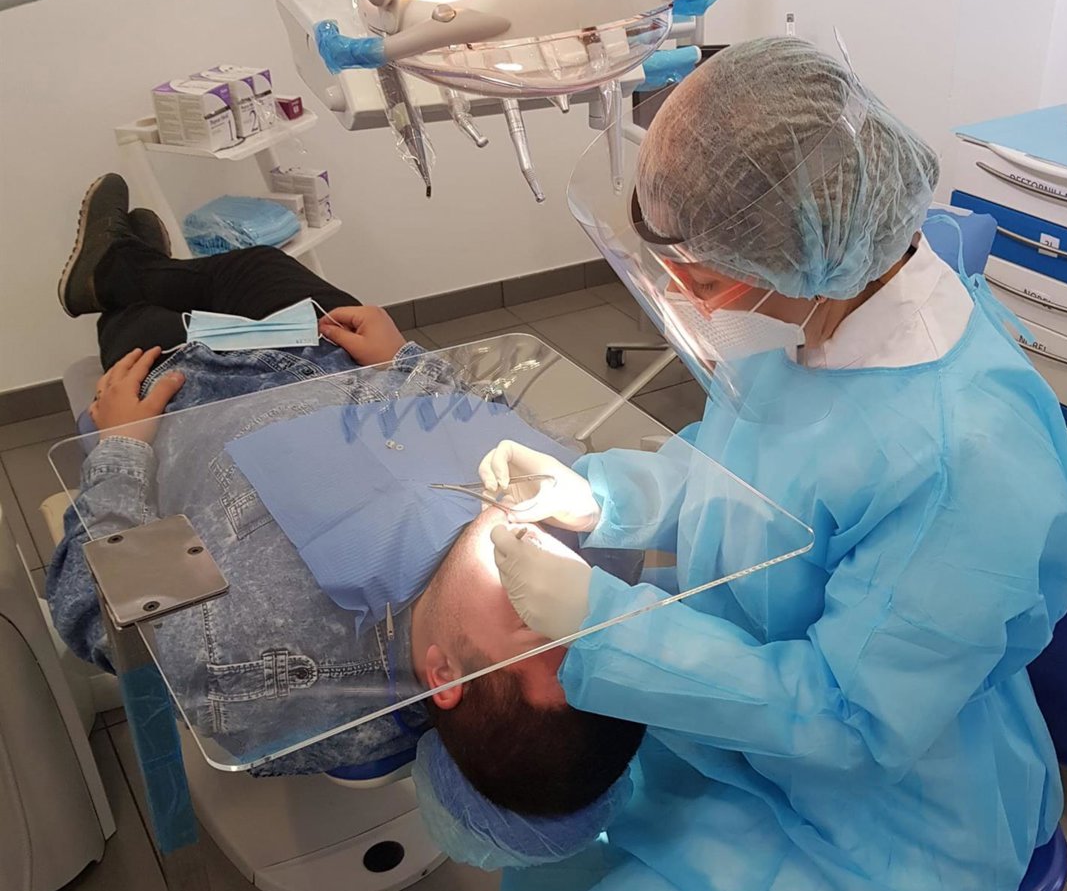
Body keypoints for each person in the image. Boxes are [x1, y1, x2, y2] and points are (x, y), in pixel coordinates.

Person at [464, 39, 1067, 891]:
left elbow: (852, 720)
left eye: (705, 277)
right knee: (557, 857)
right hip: (747, 727)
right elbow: (742, 474)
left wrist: (604, 627)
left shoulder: (961, 459)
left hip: (889, 817)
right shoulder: (832, 322)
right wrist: (597, 494)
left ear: (805, 245)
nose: (692, 299)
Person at [47, 174, 643, 810]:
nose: (551, 568)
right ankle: (132, 262)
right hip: (347, 358)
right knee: (256, 265)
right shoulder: (589, 532)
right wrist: (407, 360)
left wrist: (121, 447)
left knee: (140, 317)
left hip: (191, 389)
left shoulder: (248, 666)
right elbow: (492, 415)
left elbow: (94, 610)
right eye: (585, 608)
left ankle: (121, 269)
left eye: (532, 621)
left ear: (443, 674)